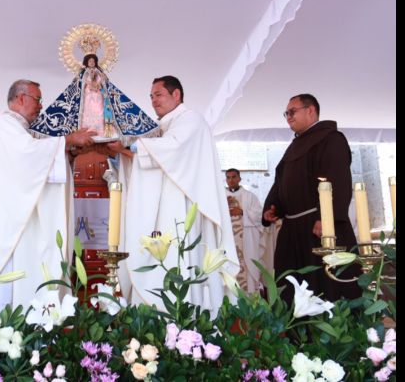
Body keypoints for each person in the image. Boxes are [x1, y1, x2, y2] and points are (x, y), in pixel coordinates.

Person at [108, 76, 238, 313]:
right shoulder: (163, 128)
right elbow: (149, 159)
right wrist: (119, 154)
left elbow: (170, 149)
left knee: (183, 256)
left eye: (158, 94)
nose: (153, 101)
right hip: (165, 207)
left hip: (184, 206)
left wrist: (127, 147)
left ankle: (185, 314)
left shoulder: (191, 120)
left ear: (176, 94)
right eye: (151, 96)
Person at [0, 79, 96, 312]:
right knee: (10, 281)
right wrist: (67, 140)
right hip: (10, 222)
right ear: (21, 98)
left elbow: (38, 162)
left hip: (20, 218)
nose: (41, 106)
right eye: (38, 99)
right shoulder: (5, 125)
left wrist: (69, 153)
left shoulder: (21, 130)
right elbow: (27, 155)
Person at [262, 94, 360, 303]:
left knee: (324, 286)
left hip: (318, 227)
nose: (288, 117)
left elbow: (337, 179)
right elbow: (281, 181)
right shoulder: (295, 145)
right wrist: (273, 206)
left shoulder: (331, 139)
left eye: (292, 111)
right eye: (286, 113)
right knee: (290, 285)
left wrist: (327, 218)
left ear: (311, 110)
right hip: (293, 229)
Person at [30, 54, 158, 141]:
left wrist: (98, 84)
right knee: (87, 111)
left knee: (99, 110)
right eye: (90, 61)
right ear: (86, 62)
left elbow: (104, 81)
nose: (91, 63)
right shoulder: (84, 72)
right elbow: (82, 82)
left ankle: (102, 131)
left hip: (98, 94)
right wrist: (91, 84)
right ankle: (85, 130)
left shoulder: (99, 72)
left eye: (93, 61)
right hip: (87, 95)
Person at [225, 168, 270, 294]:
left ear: (239, 178)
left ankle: (249, 298)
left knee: (247, 268)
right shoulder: (220, 198)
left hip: (246, 240)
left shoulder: (250, 197)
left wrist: (242, 212)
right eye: (228, 177)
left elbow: (259, 216)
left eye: (234, 177)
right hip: (228, 240)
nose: (231, 180)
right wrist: (224, 205)